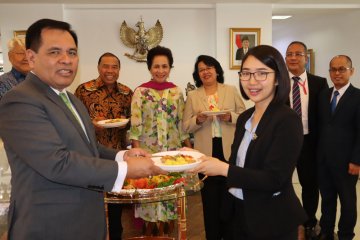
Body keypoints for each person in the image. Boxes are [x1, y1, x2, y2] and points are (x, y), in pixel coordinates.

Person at [0, 18, 165, 240]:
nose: (66, 60)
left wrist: (122, 154)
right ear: (31, 57)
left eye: (72, 52)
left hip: (85, 220)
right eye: (55, 52)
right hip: (49, 225)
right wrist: (126, 169)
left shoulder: (69, 98)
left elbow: (88, 147)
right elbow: (57, 163)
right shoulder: (20, 100)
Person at [191, 45, 307, 240]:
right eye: (246, 73)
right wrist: (200, 159)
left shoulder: (287, 119)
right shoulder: (245, 117)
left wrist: (223, 169)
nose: (252, 81)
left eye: (262, 73)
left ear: (278, 78)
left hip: (270, 219)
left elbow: (274, 179)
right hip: (239, 213)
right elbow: (239, 165)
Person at [182, 55, 245, 240]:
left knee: (230, 199)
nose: (206, 72)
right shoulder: (193, 95)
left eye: (209, 67)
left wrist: (230, 117)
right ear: (198, 74)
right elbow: (185, 126)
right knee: (209, 202)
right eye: (201, 69)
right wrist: (198, 120)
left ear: (217, 70)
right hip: (205, 154)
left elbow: (244, 116)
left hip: (228, 151)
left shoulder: (231, 90)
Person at [129, 45, 191, 234]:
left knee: (170, 195)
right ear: (149, 68)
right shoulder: (141, 92)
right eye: (156, 66)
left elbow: (182, 124)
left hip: (172, 155)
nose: (160, 71)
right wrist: (137, 155)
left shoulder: (177, 92)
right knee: (150, 194)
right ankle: (150, 233)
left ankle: (167, 233)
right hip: (149, 154)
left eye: (165, 66)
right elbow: (136, 127)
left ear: (170, 68)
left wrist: (189, 149)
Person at [75, 52, 133, 240]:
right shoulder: (84, 90)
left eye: (114, 67)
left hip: (118, 154)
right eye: (106, 66)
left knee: (116, 204)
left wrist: (127, 124)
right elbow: (75, 123)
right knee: (92, 203)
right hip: (91, 155)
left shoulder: (127, 92)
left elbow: (133, 122)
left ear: (119, 69)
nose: (110, 70)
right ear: (99, 68)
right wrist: (91, 124)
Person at [285, 41, 328, 239]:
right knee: (281, 182)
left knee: (310, 185)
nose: (293, 58)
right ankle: (288, 218)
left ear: (305, 58)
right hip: (284, 142)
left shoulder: (319, 83)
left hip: (310, 142)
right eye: (289, 54)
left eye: (297, 54)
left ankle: (309, 220)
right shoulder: (278, 82)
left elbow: (324, 117)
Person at [316, 55, 360, 240]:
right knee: (327, 199)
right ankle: (326, 231)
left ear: (352, 71)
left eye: (342, 69)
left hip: (347, 162)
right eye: (333, 69)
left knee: (348, 202)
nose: (337, 73)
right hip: (324, 159)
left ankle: (345, 235)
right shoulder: (324, 95)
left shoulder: (358, 96)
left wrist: (356, 160)